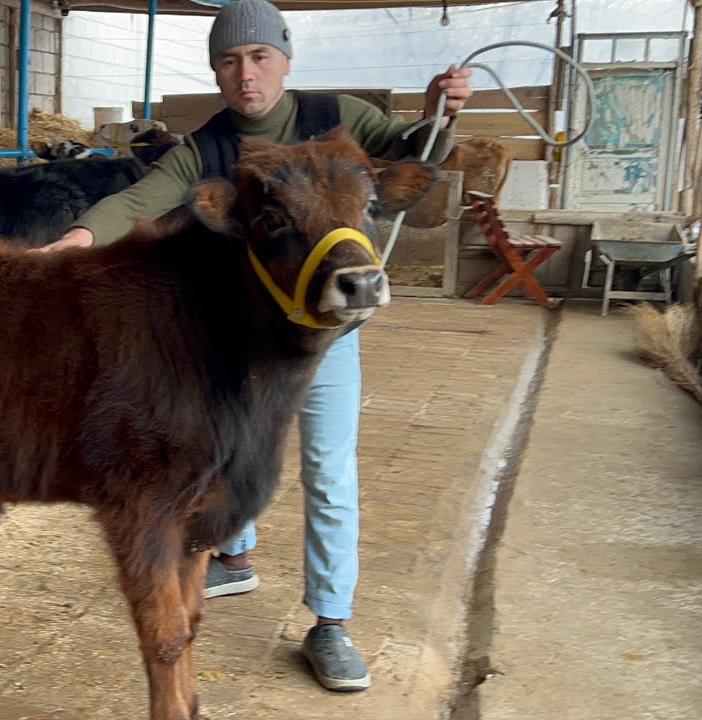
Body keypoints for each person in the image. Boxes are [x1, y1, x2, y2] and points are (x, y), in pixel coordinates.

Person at [35, 0, 472, 694]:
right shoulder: (206, 149)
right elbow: (142, 197)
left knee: (327, 469)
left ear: (285, 60)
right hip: (240, 340)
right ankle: (233, 556)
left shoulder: (339, 117)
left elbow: (414, 150)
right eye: (230, 60)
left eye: (260, 56)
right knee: (229, 453)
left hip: (325, 335)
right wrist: (78, 238)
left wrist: (438, 113)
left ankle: (330, 621)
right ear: (216, 70)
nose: (247, 74)